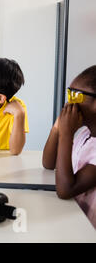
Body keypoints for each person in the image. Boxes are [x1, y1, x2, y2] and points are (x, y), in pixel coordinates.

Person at [42, 65, 96, 228]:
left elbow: (66, 190)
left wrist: (67, 134)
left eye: (76, 96)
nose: (69, 102)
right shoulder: (85, 134)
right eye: (69, 93)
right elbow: (49, 163)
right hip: (74, 216)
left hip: (89, 228)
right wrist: (59, 127)